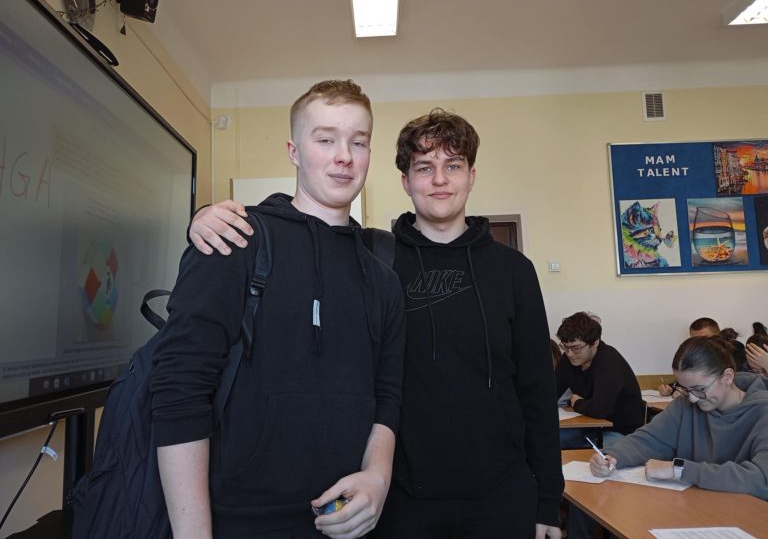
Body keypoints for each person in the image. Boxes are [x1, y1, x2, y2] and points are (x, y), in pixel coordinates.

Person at [190, 108, 564, 538]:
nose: (439, 180)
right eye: (424, 167)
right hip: (398, 499)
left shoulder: (513, 270)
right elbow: (301, 230)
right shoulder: (370, 257)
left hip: (500, 496)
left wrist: (547, 502)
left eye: (453, 166)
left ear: (471, 176)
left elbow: (538, 390)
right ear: (406, 181)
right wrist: (206, 217)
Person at [151, 79, 406, 539]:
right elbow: (179, 387)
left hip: (350, 521)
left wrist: (378, 477)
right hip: (239, 522)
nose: (344, 156)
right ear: (294, 151)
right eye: (325, 139)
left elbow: (388, 396)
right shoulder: (235, 239)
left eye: (358, 142)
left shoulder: (383, 275)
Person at [590, 334, 768, 500]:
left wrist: (680, 470)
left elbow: (761, 479)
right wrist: (612, 457)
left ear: (727, 377)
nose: (692, 398)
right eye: (685, 389)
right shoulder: (685, 405)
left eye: (699, 389)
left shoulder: (762, 411)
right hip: (694, 504)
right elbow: (649, 439)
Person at [555, 312, 644, 449]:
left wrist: (576, 402)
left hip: (621, 431)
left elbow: (601, 409)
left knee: (591, 455)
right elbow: (550, 393)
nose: (570, 353)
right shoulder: (568, 360)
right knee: (547, 439)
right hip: (590, 426)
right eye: (565, 347)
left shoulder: (609, 361)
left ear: (595, 342)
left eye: (576, 348)